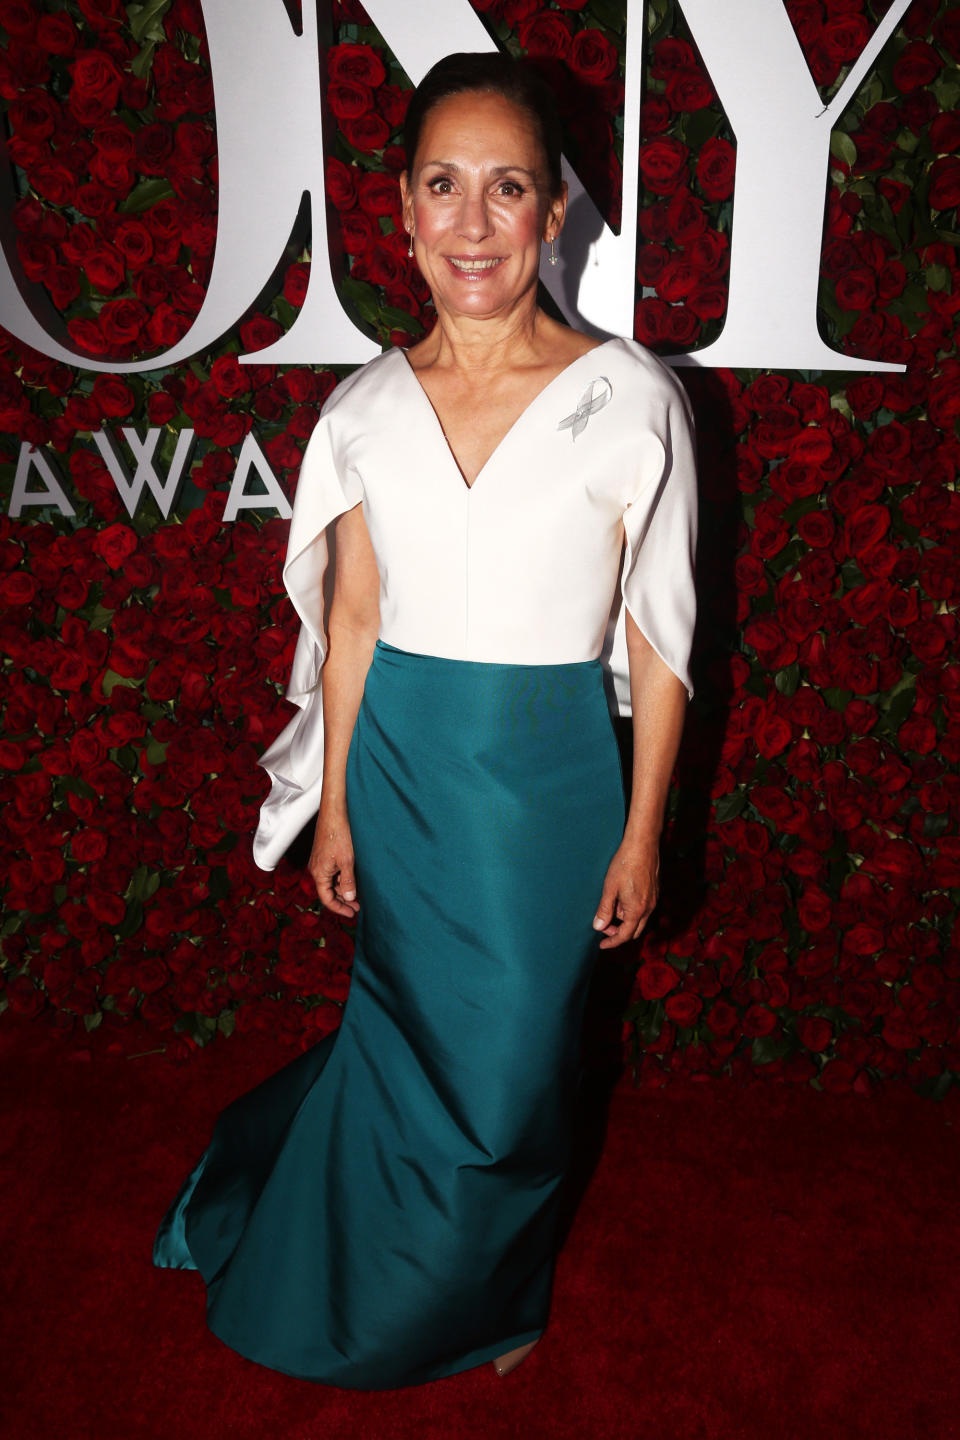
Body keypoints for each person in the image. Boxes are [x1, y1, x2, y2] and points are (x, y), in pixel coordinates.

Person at [153, 51, 697, 1388]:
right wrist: (337, 800)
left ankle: (482, 1279)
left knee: (516, 1075)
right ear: (398, 209)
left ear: (554, 209)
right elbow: (345, 628)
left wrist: (644, 832)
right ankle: (420, 1292)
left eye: (505, 187)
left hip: (556, 781)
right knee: (409, 1042)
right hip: (402, 767)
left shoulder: (632, 400)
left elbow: (660, 636)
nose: (471, 222)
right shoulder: (365, 415)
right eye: (441, 186)